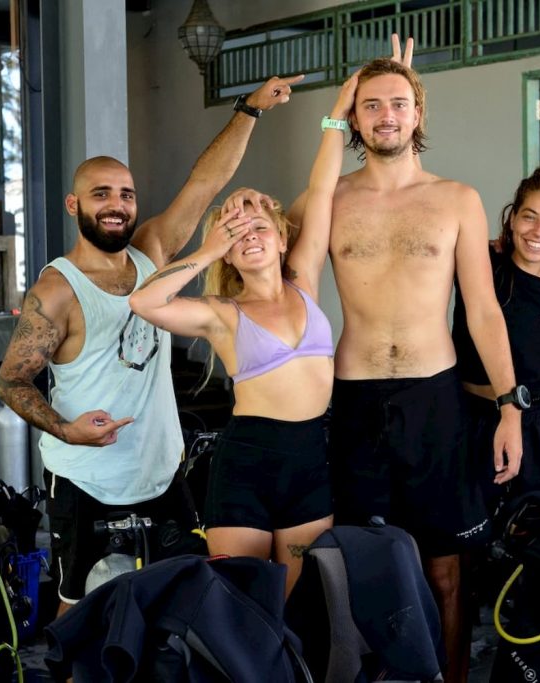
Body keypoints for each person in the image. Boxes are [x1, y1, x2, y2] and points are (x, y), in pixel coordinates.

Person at [0, 75, 303, 613]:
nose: (116, 205)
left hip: (162, 471)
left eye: (126, 194)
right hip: (85, 477)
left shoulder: (152, 252)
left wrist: (249, 110)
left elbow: (204, 184)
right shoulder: (58, 289)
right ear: (73, 205)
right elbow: (12, 379)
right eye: (101, 194)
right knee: (80, 612)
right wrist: (67, 430)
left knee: (178, 603)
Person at [289, 44, 523, 683]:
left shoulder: (456, 199)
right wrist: (332, 115)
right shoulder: (331, 199)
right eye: (370, 106)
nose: (386, 115)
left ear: (419, 112)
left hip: (435, 398)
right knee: (360, 557)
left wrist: (509, 406)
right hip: (356, 395)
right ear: (353, 121)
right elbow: (291, 273)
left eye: (398, 102)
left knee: (446, 567)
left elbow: (482, 311)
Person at [128, 74, 359, 597]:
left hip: (310, 456)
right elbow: (143, 302)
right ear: (228, 253)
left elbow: (322, 186)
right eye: (235, 233)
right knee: (241, 606)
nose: (248, 236)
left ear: (281, 238)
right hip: (247, 463)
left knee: (300, 604)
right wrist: (207, 248)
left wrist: (338, 109)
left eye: (258, 227)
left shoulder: (304, 280)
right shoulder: (222, 313)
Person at [451, 164, 540, 513]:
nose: (539, 231)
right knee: (472, 540)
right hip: (472, 418)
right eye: (529, 217)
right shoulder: (482, 265)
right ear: (512, 219)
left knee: (534, 539)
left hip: (539, 428)